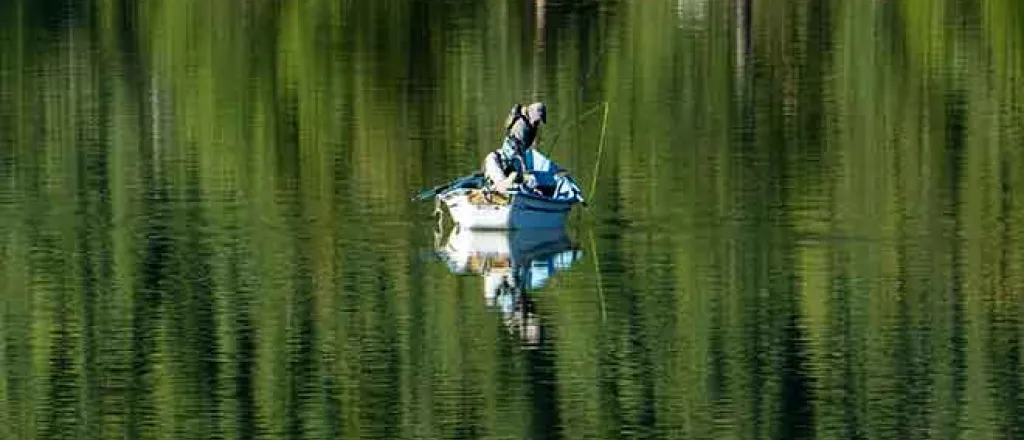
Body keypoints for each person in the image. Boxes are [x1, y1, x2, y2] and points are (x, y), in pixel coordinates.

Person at [483, 102, 546, 192]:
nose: (537, 123)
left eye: (539, 121)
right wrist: (524, 170)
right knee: (505, 185)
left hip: (509, 165)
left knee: (521, 179)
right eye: (537, 120)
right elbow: (517, 151)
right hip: (499, 162)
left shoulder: (528, 125)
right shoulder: (521, 126)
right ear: (531, 114)